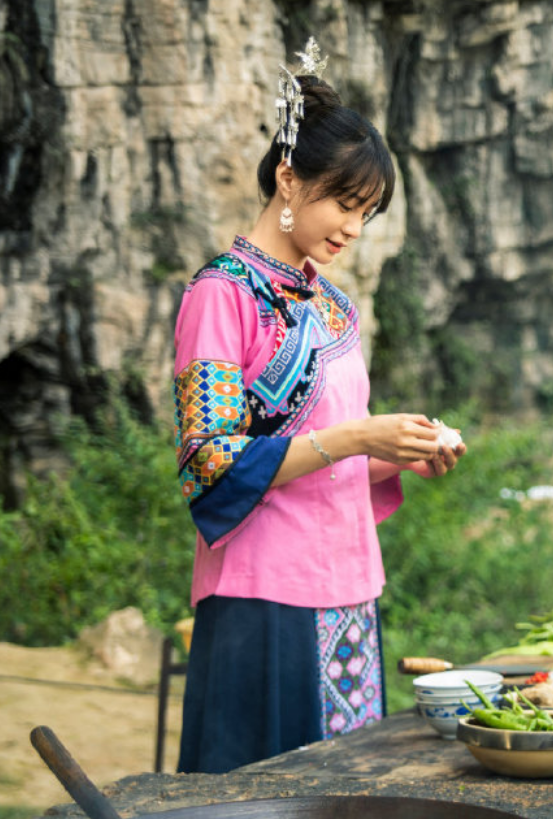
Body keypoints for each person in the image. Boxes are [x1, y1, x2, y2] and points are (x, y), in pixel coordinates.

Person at [172, 38, 466, 774]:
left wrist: (397, 450)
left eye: (366, 211)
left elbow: (325, 464)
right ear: (288, 179)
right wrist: (358, 435)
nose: (352, 228)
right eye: (344, 201)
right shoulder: (222, 295)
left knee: (342, 800)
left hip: (349, 591)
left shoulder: (334, 310)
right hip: (262, 593)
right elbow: (211, 460)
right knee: (264, 802)